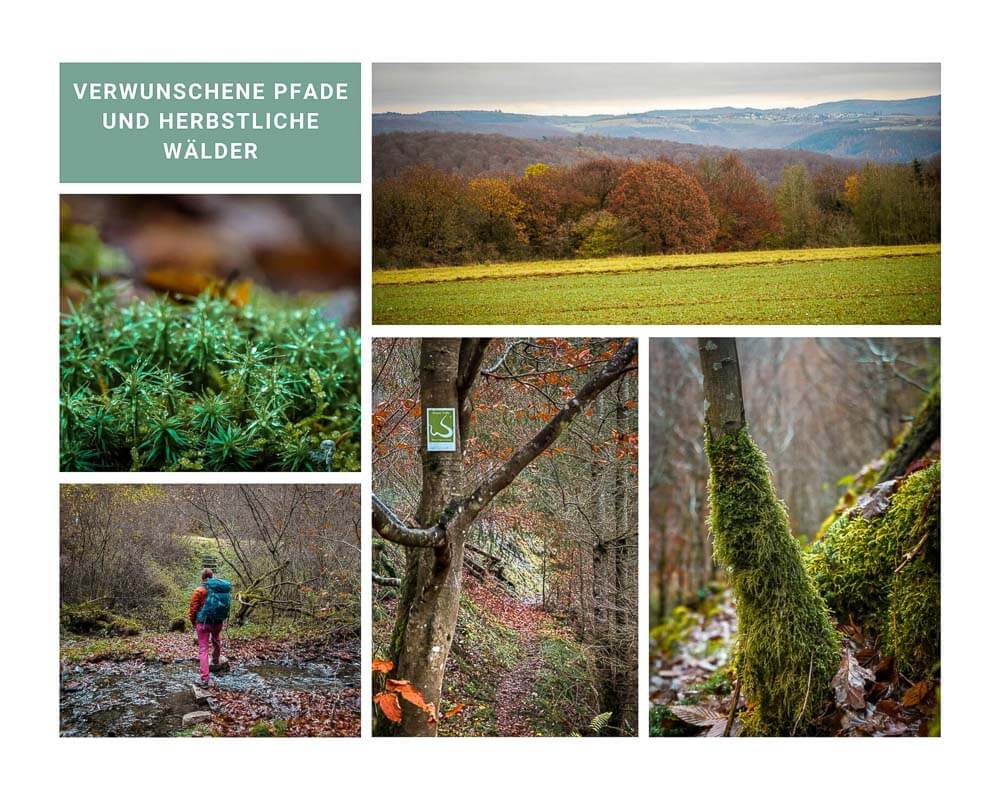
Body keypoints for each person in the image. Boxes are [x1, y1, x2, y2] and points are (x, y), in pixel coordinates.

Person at [187, 568, 232, 686]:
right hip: (218, 621)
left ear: (202, 578)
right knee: (216, 640)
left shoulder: (199, 591)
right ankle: (216, 660)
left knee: (203, 649)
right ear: (212, 577)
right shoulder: (220, 590)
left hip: (203, 623)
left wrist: (193, 621)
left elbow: (193, 609)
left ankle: (205, 678)